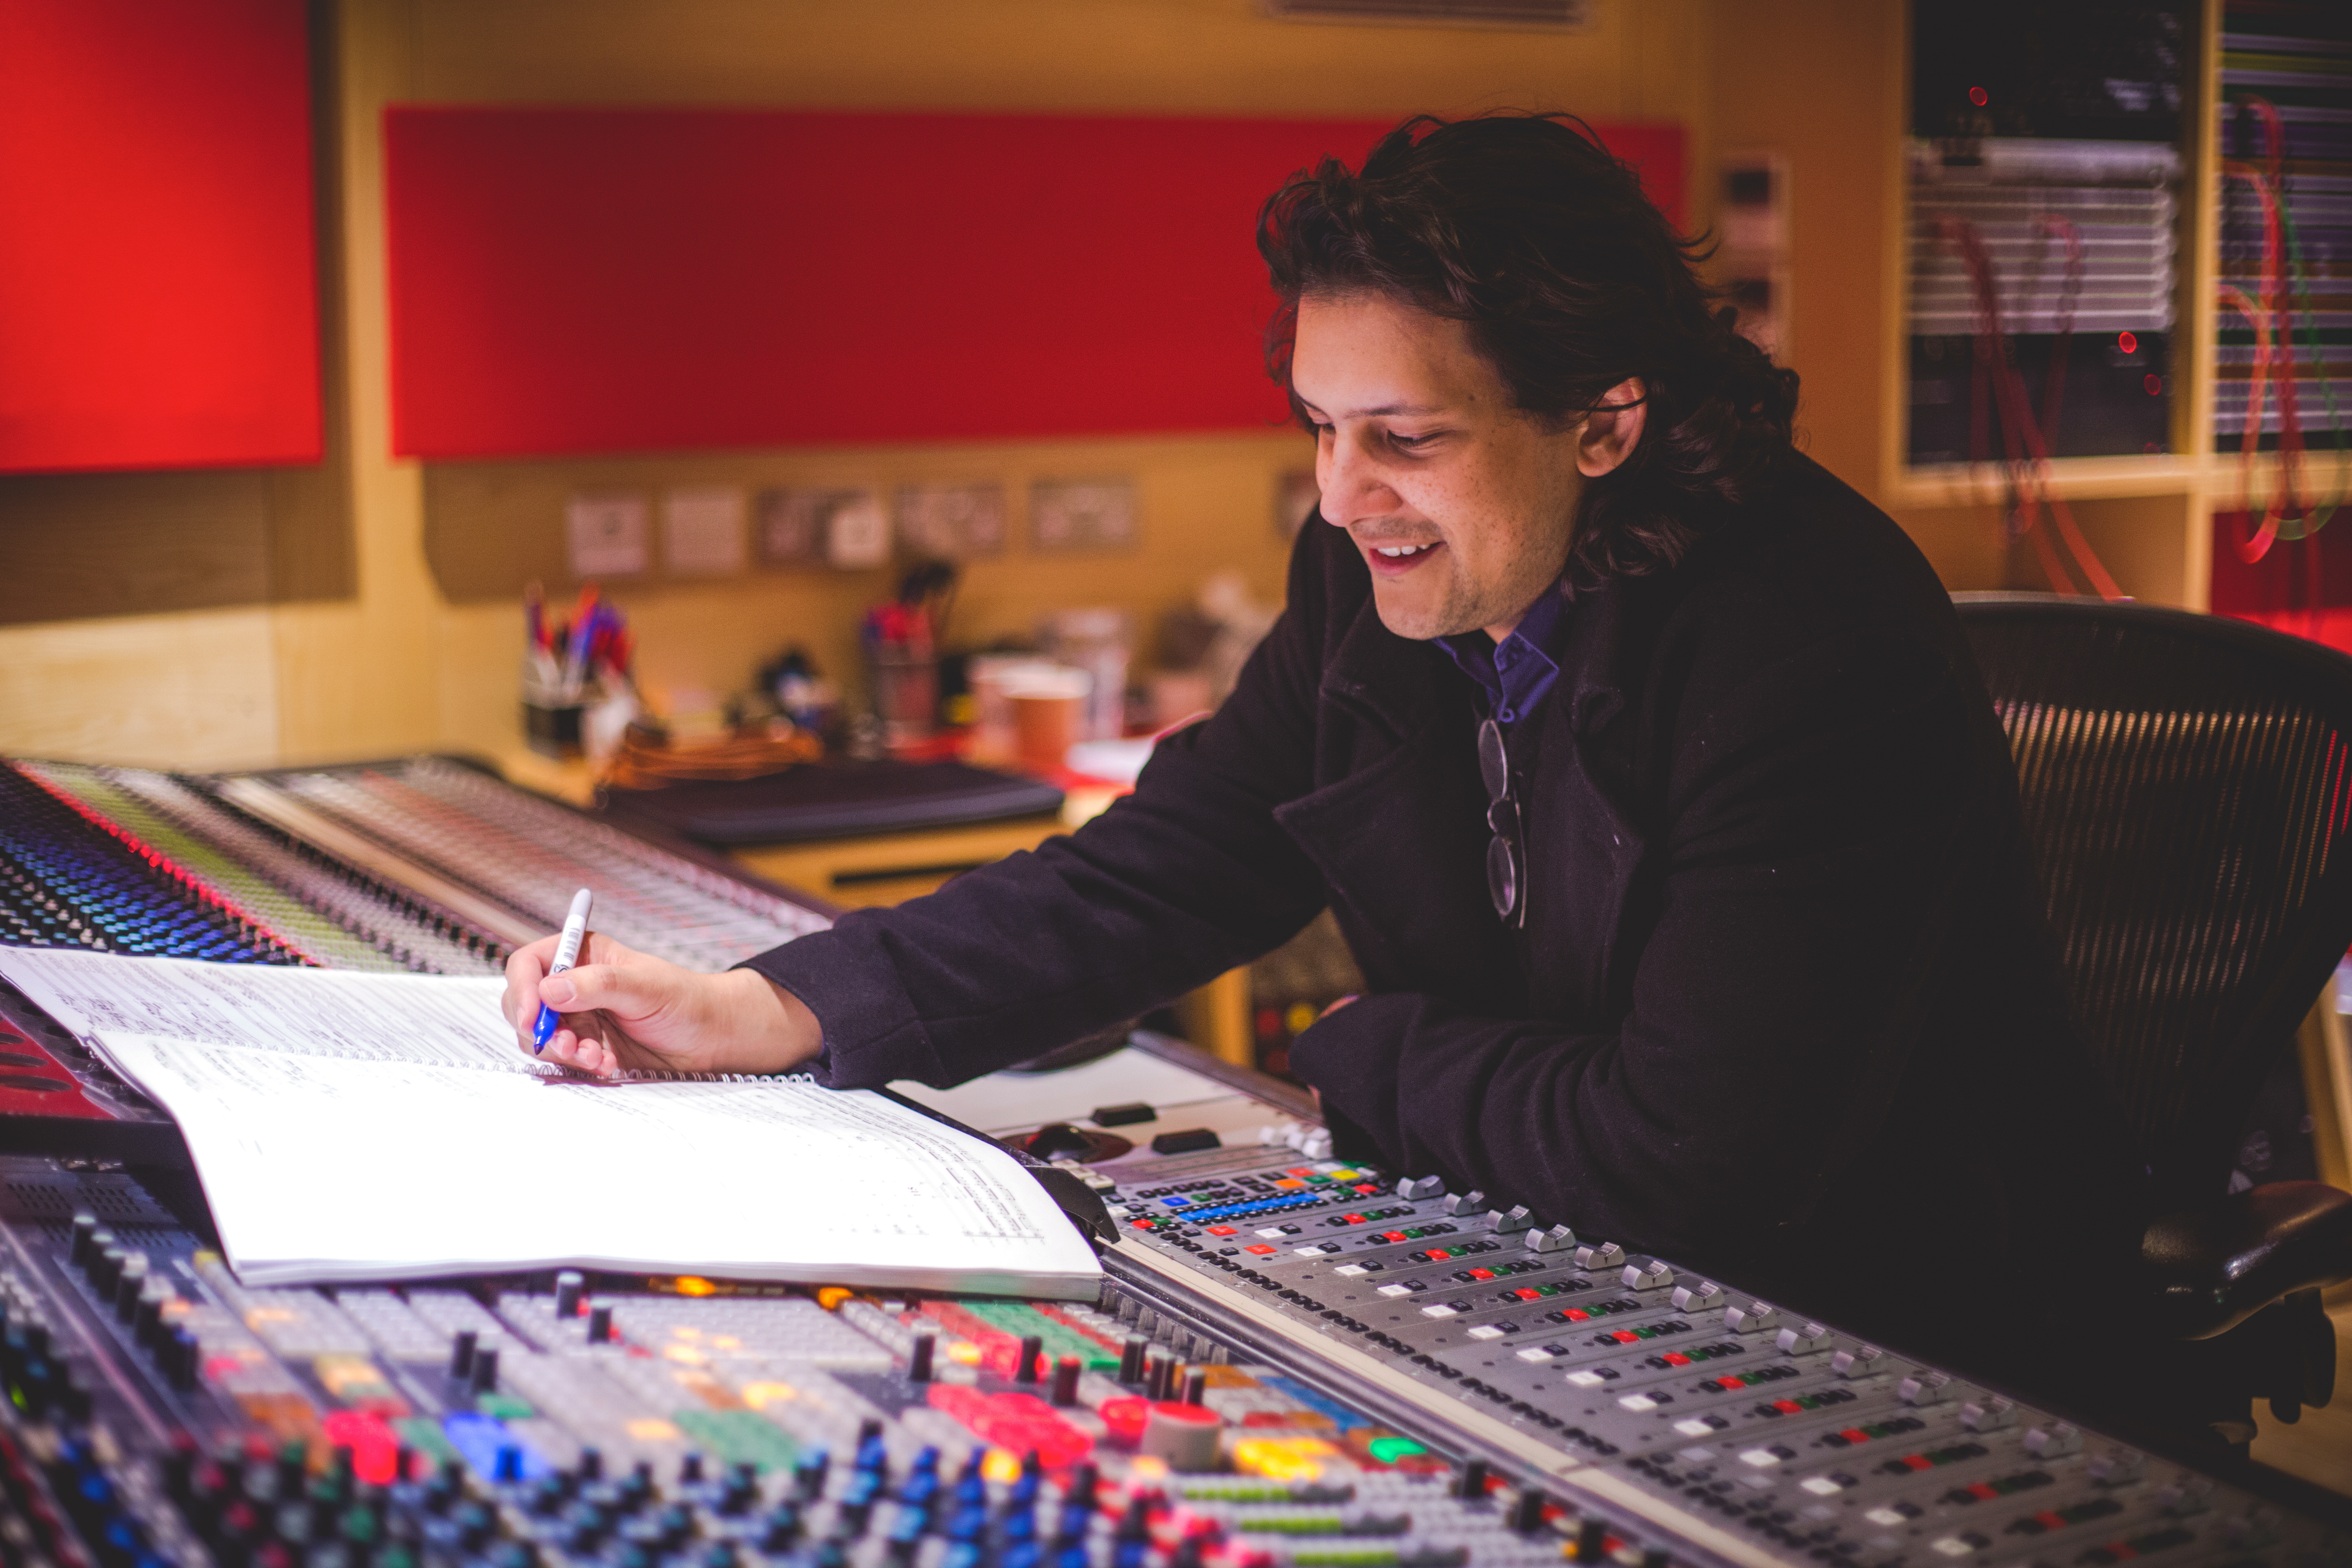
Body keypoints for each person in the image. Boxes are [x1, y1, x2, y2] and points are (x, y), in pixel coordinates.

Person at [503, 113, 2142, 1376]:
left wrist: (1371, 1056)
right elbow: (1169, 866)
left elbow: (1694, 1159)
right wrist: (772, 1007)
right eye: (1319, 428)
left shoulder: (1803, 637)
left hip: (1892, 1326)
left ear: (1604, 421)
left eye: (1406, 441)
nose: (1342, 498)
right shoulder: (1374, 589)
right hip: (1569, 1253)